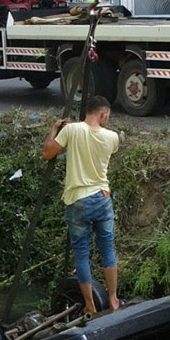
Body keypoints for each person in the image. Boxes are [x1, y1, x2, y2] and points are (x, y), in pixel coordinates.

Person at [42, 95, 121, 314]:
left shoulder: (72, 130)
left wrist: (54, 131)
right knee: (107, 250)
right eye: (107, 116)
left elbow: (47, 153)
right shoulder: (112, 137)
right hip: (102, 197)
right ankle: (113, 300)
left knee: (82, 254)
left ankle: (90, 305)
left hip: (77, 200)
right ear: (103, 113)